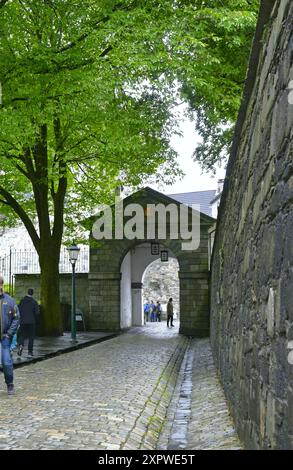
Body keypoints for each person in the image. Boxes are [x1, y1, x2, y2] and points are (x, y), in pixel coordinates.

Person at [0, 275, 19, 395]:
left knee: (6, 362)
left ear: (1, 285)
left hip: (5, 338)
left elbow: (16, 318)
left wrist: (9, 334)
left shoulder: (10, 301)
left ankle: (10, 383)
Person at [17, 288, 40, 358]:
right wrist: (37, 321)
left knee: (22, 335)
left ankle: (21, 345)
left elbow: (18, 310)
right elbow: (37, 313)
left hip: (23, 321)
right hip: (31, 322)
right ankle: (30, 352)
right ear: (32, 293)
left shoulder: (22, 301)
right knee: (31, 337)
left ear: (27, 292)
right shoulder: (34, 302)